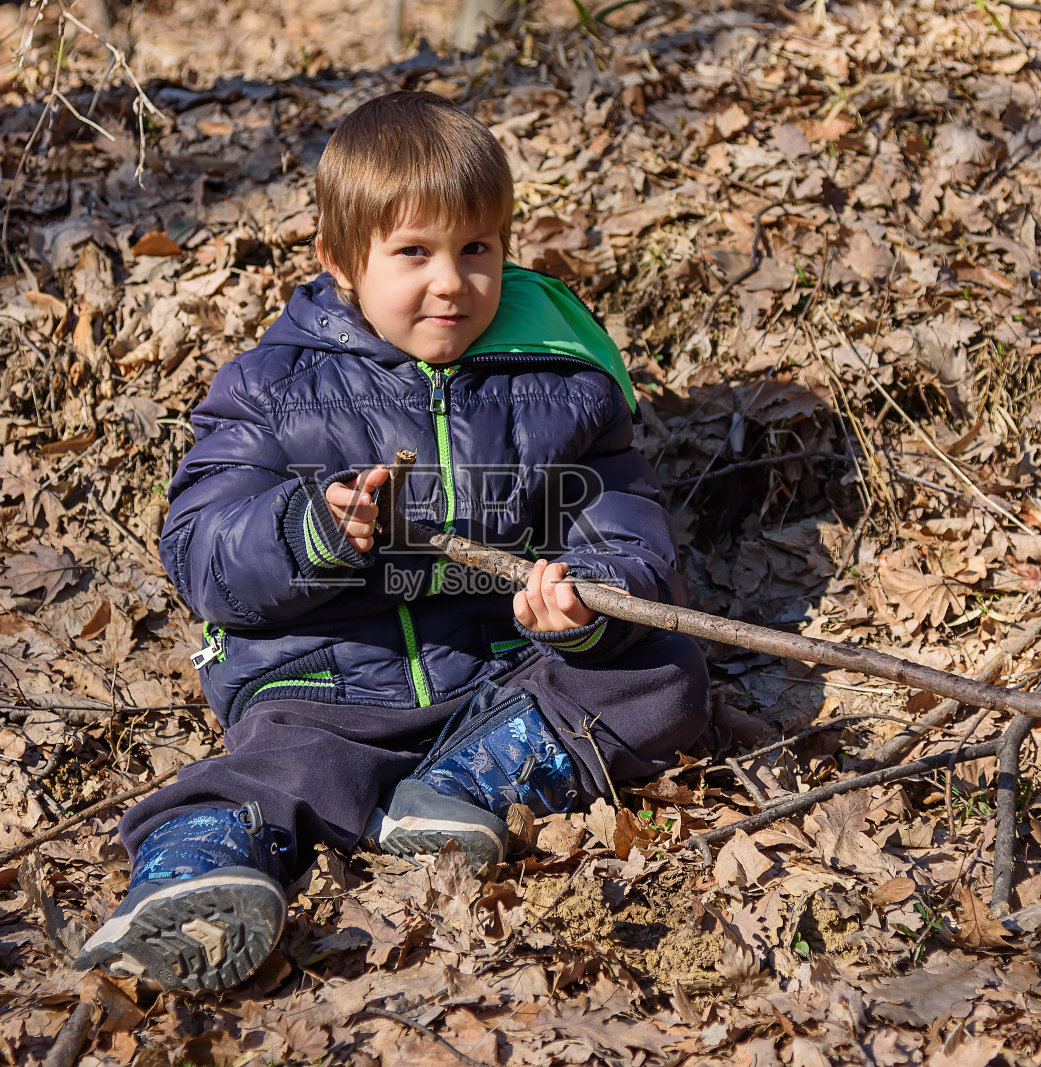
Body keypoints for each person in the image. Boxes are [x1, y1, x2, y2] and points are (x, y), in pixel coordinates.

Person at [73, 91, 709, 994]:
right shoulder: (272, 389)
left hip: (501, 676)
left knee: (670, 672)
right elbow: (203, 553)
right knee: (284, 764)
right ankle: (199, 860)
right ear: (341, 261)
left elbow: (623, 523)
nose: (451, 281)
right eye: (413, 253)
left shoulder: (557, 386)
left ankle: (471, 783)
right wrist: (308, 532)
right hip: (330, 682)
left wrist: (585, 604)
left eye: (476, 250)